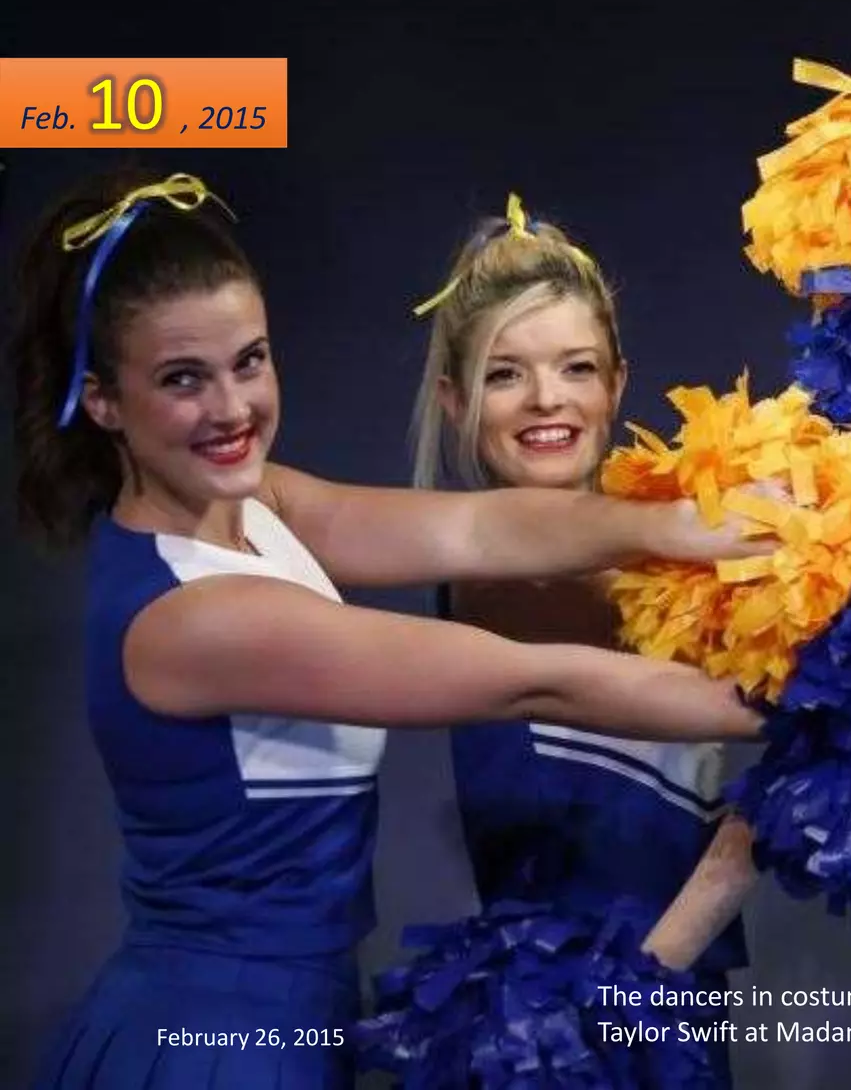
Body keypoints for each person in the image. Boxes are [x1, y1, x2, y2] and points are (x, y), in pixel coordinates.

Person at [10, 172, 770, 1089]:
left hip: (304, 1014)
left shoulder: (263, 502)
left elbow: (476, 527)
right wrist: (817, 706)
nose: (232, 408)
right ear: (101, 400)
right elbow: (532, 680)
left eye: (249, 360)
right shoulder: (190, 617)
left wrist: (678, 525)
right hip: (213, 1037)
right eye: (182, 380)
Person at [404, 193, 756, 1083]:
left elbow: (786, 786)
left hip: (666, 1014)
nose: (546, 401)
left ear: (618, 384)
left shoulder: (700, 569)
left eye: (575, 368)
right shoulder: (473, 574)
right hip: (530, 1030)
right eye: (505, 373)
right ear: (454, 399)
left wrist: (646, 981)